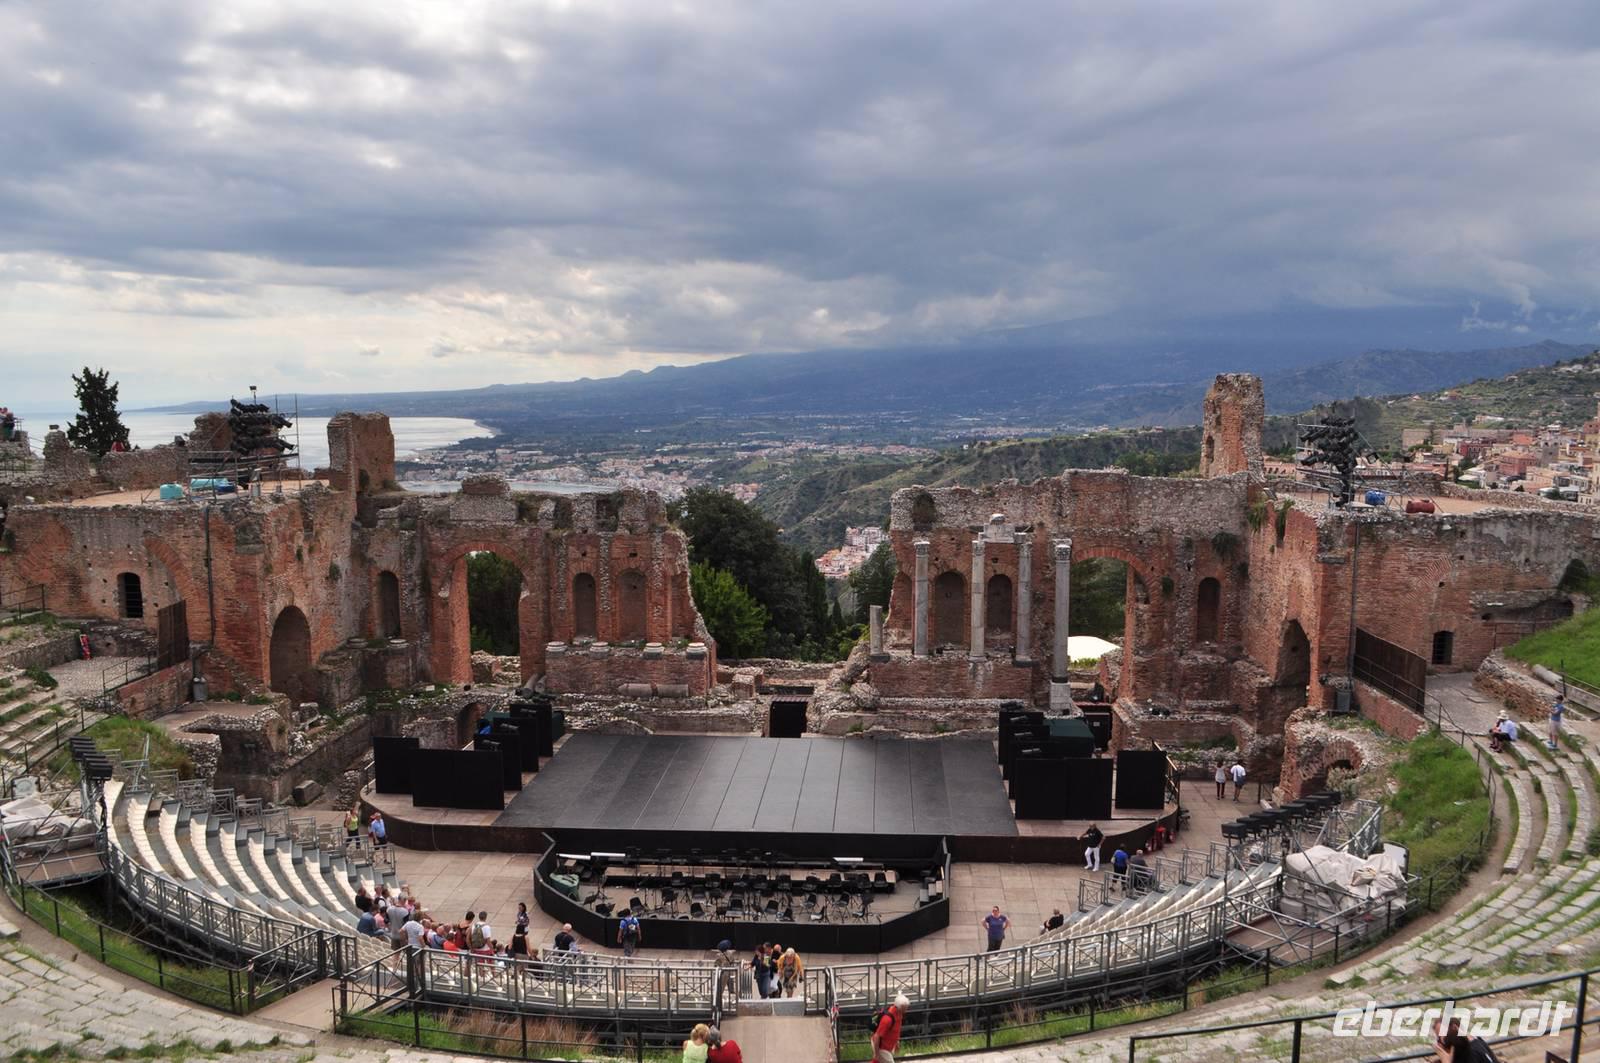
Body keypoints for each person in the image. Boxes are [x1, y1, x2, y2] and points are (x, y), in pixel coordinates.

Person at [871, 993, 908, 1063]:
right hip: (881, 1046)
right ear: (899, 1007)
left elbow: (896, 1029)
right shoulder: (887, 1019)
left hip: (887, 1045)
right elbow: (876, 1036)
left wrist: (897, 1041)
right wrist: (876, 1053)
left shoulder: (899, 1014)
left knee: (877, 1061)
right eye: (905, 1008)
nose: (906, 1011)